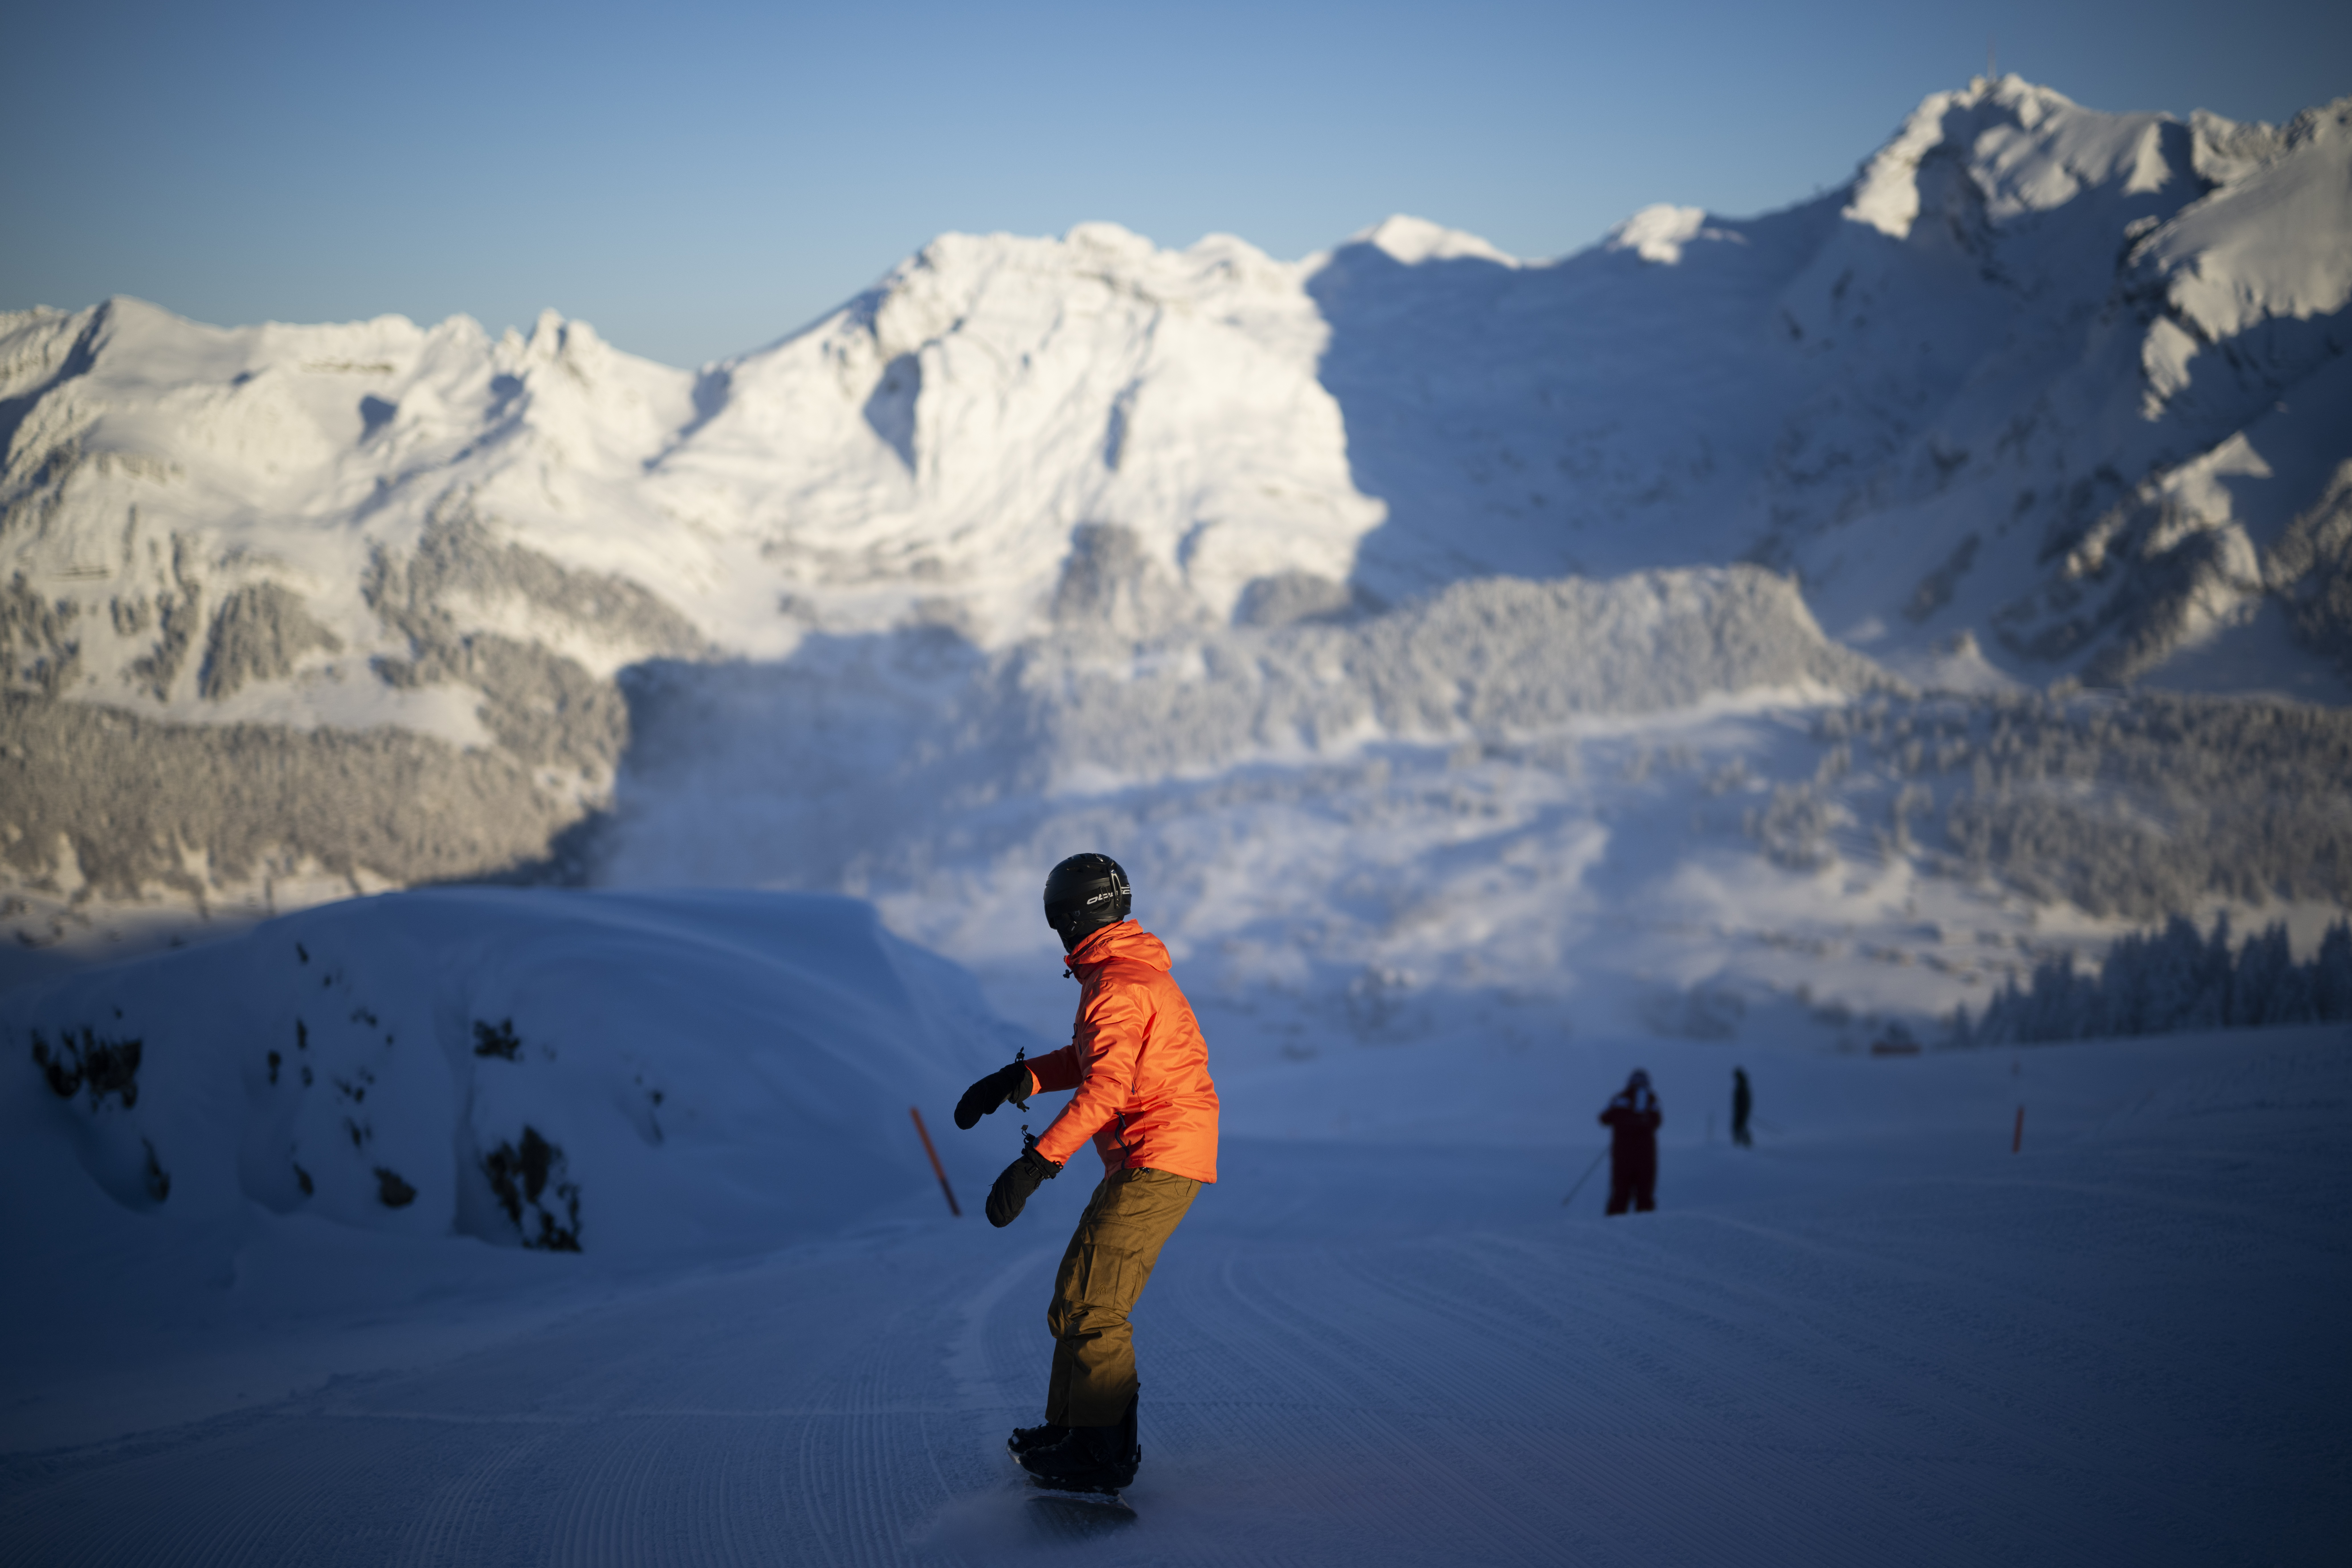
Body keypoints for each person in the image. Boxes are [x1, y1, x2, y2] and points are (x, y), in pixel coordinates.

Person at [951, 852, 1219, 1493]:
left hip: (1157, 1153)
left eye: (1058, 922)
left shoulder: (1119, 986)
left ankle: (1101, 1451)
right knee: (1078, 1293)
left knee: (1097, 1302)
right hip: (1156, 1151)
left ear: (1077, 916)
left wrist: (1037, 1163)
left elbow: (1105, 1090)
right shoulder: (1123, 973)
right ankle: (1076, 1430)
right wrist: (1025, 1078)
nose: (1059, 936)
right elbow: (1093, 1058)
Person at [1599, 1069, 1661, 1214]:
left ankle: (1613, 1229)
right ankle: (1647, 1230)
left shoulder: (1620, 1099)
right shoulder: (1651, 1100)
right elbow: (1658, 1121)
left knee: (1621, 1194)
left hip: (1622, 1156)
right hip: (1646, 1157)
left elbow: (1603, 1118)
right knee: (1645, 1196)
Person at [1731, 1067, 1753, 1148]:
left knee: (1739, 1127)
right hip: (1742, 1111)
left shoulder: (1742, 1087)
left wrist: (1742, 1109)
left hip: (1741, 1111)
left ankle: (1743, 1144)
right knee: (1740, 1127)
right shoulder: (1742, 1086)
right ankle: (1743, 1143)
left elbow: (1743, 1102)